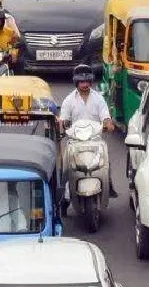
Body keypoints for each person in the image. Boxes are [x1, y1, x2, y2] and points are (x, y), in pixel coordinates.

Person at [58, 64, 118, 197]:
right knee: (67, 168)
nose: (85, 84)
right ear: (76, 82)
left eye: (87, 81)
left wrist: (108, 123)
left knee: (106, 162)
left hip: (95, 139)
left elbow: (105, 116)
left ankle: (109, 185)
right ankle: (63, 198)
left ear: (91, 81)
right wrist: (63, 123)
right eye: (81, 82)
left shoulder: (99, 98)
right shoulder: (69, 100)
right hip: (75, 140)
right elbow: (64, 119)